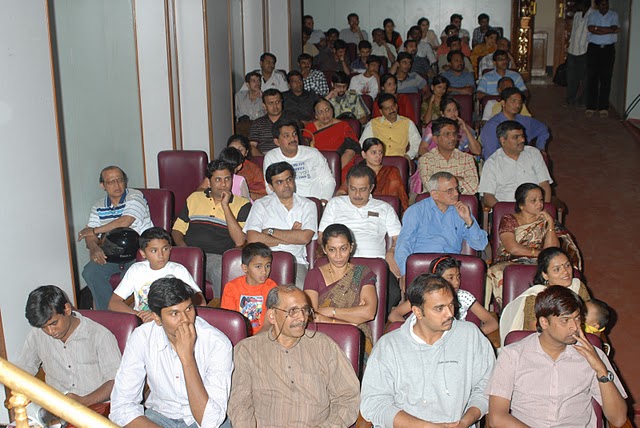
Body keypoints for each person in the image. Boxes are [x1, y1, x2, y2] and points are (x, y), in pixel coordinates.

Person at [361, 274, 495, 427]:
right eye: (439, 308)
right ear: (418, 312)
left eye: (451, 305)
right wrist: (425, 426)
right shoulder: (389, 346)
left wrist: (466, 421)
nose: (450, 314)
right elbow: (374, 403)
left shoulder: (470, 335)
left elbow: (487, 386)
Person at [487, 285, 627, 428]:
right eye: (565, 320)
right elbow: (497, 417)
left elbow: (618, 419)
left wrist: (601, 370)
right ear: (544, 322)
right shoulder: (512, 356)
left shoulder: (593, 356)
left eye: (577, 318)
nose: (575, 327)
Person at [227, 285, 361, 427]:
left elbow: (348, 397)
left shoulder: (323, 346)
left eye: (305, 310)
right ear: (272, 316)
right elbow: (240, 405)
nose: (302, 317)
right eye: (293, 311)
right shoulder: (247, 350)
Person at [110, 277, 233, 427]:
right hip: (160, 416)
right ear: (157, 317)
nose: (185, 320)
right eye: (174, 314)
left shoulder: (217, 343)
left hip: (204, 419)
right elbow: (121, 405)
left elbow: (210, 421)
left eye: (188, 309)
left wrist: (187, 358)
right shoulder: (142, 337)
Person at [17, 285, 121, 408]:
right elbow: (24, 369)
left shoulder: (100, 336)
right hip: (55, 408)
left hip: (94, 407)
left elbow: (115, 381)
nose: (50, 331)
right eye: (43, 327)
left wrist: (84, 401)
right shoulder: (37, 334)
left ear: (67, 309)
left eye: (54, 323)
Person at [320, 164, 403, 312]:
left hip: (375, 264)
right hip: (341, 262)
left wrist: (391, 251)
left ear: (371, 188)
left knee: (393, 293)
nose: (357, 194)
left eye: (363, 189)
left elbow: (399, 238)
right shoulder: (335, 204)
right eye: (353, 189)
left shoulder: (384, 208)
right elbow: (322, 236)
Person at [172, 159, 251, 299]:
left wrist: (225, 206)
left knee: (219, 269)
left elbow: (240, 241)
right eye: (218, 180)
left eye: (227, 179)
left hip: (217, 257)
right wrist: (185, 249)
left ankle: (221, 308)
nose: (224, 184)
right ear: (209, 182)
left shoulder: (242, 204)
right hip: (190, 253)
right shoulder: (194, 198)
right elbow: (177, 230)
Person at [79, 165, 153, 310]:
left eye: (120, 180)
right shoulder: (98, 206)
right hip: (112, 253)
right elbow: (90, 236)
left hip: (138, 252)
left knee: (129, 276)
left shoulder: (135, 196)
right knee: (90, 272)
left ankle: (132, 314)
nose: (117, 185)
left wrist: (94, 230)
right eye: (111, 182)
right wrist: (94, 247)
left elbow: (125, 221)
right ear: (103, 185)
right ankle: (108, 313)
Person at [395, 172, 488, 278]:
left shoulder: (461, 211)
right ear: (435, 194)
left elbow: (480, 245)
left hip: (451, 268)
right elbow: (404, 245)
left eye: (456, 189)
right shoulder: (416, 211)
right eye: (450, 191)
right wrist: (406, 273)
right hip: (425, 268)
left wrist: (468, 220)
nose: (456, 194)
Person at [304, 223, 378, 353]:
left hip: (355, 337)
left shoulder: (362, 273)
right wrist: (350, 321)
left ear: (351, 247)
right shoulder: (314, 275)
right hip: (321, 336)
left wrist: (329, 311)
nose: (338, 255)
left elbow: (368, 313)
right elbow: (311, 316)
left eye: (343, 248)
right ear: (324, 249)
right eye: (332, 250)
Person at [484, 184, 560, 309]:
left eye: (541, 199)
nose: (539, 204)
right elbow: (513, 248)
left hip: (539, 261)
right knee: (497, 273)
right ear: (521, 205)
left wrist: (551, 223)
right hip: (510, 260)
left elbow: (552, 250)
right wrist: (540, 254)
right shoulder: (509, 219)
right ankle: (510, 311)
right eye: (533, 201)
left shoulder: (545, 220)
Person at [245, 161, 317, 289]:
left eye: (289, 179)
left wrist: (270, 231)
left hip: (296, 262)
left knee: (298, 294)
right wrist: (292, 236)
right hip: (263, 261)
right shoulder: (261, 204)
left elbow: (305, 237)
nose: (286, 185)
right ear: (271, 186)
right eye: (279, 182)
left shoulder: (308, 205)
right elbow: (252, 238)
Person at [109, 227, 205, 322]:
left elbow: (200, 302)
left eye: (165, 249)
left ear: (170, 249)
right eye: (154, 251)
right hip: (143, 322)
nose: (161, 255)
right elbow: (113, 303)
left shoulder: (178, 270)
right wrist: (139, 315)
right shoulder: (136, 269)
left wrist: (157, 316)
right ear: (143, 253)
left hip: (171, 322)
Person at [499, 247, 591, 345]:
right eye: (557, 269)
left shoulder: (578, 287)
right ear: (545, 275)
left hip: (577, 338)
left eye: (567, 265)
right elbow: (536, 333)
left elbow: (591, 318)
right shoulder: (536, 297)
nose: (565, 272)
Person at [387, 256, 498, 335]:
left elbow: (492, 322)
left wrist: (470, 335)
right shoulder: (424, 295)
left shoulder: (464, 297)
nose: (456, 282)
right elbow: (394, 315)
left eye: (458, 277)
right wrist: (412, 331)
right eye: (450, 278)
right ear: (436, 279)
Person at [479, 120, 553, 208]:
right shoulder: (492, 163)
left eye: (522, 136)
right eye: (516, 137)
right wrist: (503, 211)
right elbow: (488, 196)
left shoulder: (534, 154)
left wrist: (544, 209)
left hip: (535, 208)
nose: (522, 140)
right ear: (503, 140)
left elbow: (544, 185)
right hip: (507, 210)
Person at [263, 118, 335, 202]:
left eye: (294, 134)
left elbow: (328, 181)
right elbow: (270, 187)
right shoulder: (271, 157)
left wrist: (323, 202)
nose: (292, 139)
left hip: (315, 203)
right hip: (286, 203)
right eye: (286, 136)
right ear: (277, 142)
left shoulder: (313, 154)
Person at [337, 137, 409, 211]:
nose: (378, 156)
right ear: (364, 154)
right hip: (358, 209)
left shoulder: (391, 171)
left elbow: (398, 199)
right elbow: (341, 192)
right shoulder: (357, 172)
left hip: (383, 210)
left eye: (380, 152)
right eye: (374, 152)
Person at [220, 242, 277, 335]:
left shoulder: (271, 287)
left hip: (263, 335)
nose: (264, 271)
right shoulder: (231, 287)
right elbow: (229, 320)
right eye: (258, 266)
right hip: (237, 335)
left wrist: (254, 339)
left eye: (267, 266)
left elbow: (270, 322)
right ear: (245, 268)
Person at [479, 88, 549, 159]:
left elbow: (543, 129)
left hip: (523, 159)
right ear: (503, 103)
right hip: (501, 161)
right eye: (513, 101)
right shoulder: (492, 125)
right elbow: (490, 155)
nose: (517, 105)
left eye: (520, 102)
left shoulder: (525, 120)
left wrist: (540, 147)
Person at [418, 117, 479, 195]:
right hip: (435, 202)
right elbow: (430, 187)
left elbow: (473, 188)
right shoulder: (426, 160)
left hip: (460, 202)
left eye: (454, 134)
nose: (453, 138)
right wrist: (457, 179)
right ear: (435, 139)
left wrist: (441, 183)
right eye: (447, 134)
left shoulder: (467, 159)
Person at [303, 98, 361, 177]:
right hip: (317, 167)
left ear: (332, 111)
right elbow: (305, 152)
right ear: (316, 115)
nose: (325, 114)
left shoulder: (343, 126)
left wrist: (334, 170)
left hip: (341, 166)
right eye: (320, 112)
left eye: (327, 110)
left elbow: (351, 151)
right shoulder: (309, 128)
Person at [360, 93, 421, 159]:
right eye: (387, 108)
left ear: (396, 106)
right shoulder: (373, 123)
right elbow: (363, 144)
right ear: (381, 111)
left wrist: (408, 156)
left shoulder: (408, 123)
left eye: (393, 106)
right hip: (378, 160)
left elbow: (417, 144)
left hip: (399, 161)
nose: (391, 110)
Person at [585, 0, 619, 118]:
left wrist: (598, 29)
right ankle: (591, 107)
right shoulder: (592, 15)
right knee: (592, 78)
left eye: (606, 4)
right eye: (602, 4)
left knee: (606, 78)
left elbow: (614, 28)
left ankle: (603, 107)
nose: (605, 6)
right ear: (598, 5)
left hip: (608, 50)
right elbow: (590, 29)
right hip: (594, 49)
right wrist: (608, 30)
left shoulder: (614, 15)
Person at [566, 0, 593, 107]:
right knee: (571, 77)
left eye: (579, 4)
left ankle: (583, 100)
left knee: (585, 78)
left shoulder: (592, 15)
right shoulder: (577, 15)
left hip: (585, 51)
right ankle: (570, 99)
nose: (577, 6)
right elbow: (573, 31)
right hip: (572, 50)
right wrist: (569, 44)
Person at [226, 134, 267, 200]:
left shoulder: (254, 169)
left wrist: (246, 194)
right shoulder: (220, 167)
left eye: (240, 150)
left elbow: (265, 194)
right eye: (232, 150)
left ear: (246, 153)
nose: (236, 153)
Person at [248, 88, 286, 156]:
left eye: (277, 102)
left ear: (282, 102)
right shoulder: (257, 123)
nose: (275, 106)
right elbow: (252, 146)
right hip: (264, 156)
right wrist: (264, 159)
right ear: (264, 106)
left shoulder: (291, 121)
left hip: (286, 155)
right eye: (271, 103)